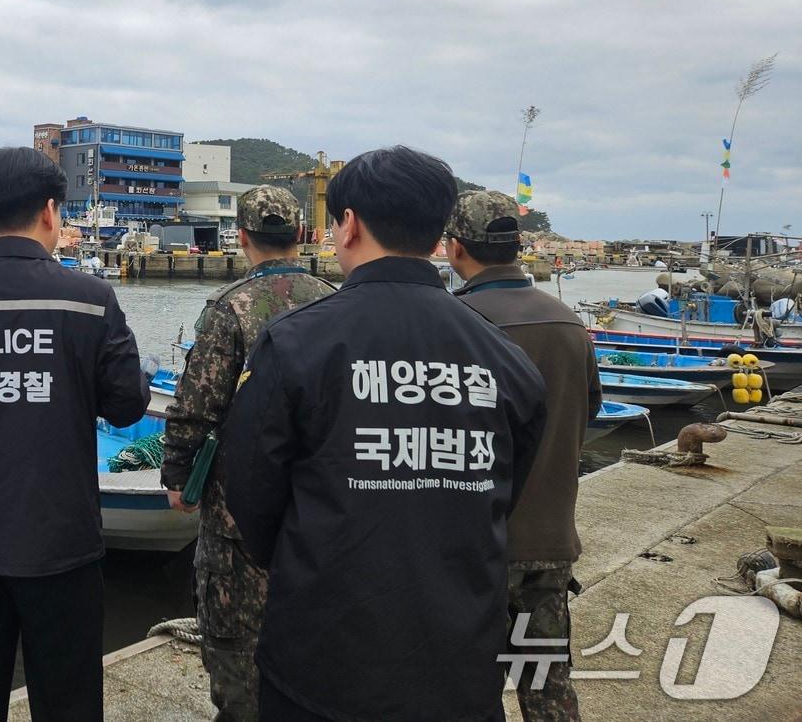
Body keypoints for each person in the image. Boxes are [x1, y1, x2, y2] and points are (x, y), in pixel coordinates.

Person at [224, 146, 547, 722]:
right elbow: (508, 487)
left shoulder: (295, 343)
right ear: (438, 233)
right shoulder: (504, 358)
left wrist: (307, 557)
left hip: (324, 654)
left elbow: (250, 491)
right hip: (460, 654)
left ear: (348, 224)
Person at [0, 146, 149, 722]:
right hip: (61, 542)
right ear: (50, 211)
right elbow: (128, 406)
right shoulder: (90, 301)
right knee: (68, 702)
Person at [160, 185, 334, 721]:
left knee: (235, 641)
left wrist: (179, 478)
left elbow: (197, 405)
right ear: (300, 234)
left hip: (238, 509)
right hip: (320, 508)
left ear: (242, 237)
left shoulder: (230, 308)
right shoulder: (336, 301)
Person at [447, 190, 602, 722]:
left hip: (471, 551)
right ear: (519, 246)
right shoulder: (569, 324)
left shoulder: (451, 323)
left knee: (466, 691)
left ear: (455, 247)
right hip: (549, 543)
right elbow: (589, 409)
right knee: (547, 685)